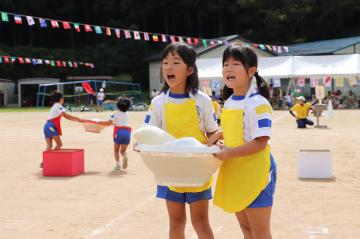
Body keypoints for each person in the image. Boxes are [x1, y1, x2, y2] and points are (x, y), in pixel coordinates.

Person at [143, 43, 219, 239]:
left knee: (200, 222)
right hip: (170, 171)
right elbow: (148, 132)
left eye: (176, 62)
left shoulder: (202, 100)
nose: (169, 67)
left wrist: (216, 141)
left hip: (197, 171)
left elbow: (213, 131)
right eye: (165, 62)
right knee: (176, 223)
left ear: (190, 70)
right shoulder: (158, 102)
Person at [207, 45, 276, 239]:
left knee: (259, 232)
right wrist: (219, 134)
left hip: (256, 172)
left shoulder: (259, 103)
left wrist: (228, 153)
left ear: (251, 70)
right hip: (236, 171)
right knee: (246, 229)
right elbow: (237, 130)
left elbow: (260, 142)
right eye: (225, 64)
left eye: (235, 64)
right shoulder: (229, 101)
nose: (228, 69)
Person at [42, 91, 83, 166]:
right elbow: (66, 116)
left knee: (49, 146)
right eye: (63, 98)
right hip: (51, 126)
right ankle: (51, 160)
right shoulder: (59, 106)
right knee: (59, 144)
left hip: (46, 126)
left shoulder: (54, 105)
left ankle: (44, 162)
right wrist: (77, 119)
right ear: (61, 99)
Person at [96, 97, 132, 170]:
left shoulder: (115, 113)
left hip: (119, 132)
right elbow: (120, 122)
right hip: (127, 132)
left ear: (118, 105)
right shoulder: (126, 114)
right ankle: (124, 156)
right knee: (123, 151)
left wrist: (99, 122)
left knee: (116, 150)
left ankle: (118, 165)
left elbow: (108, 123)